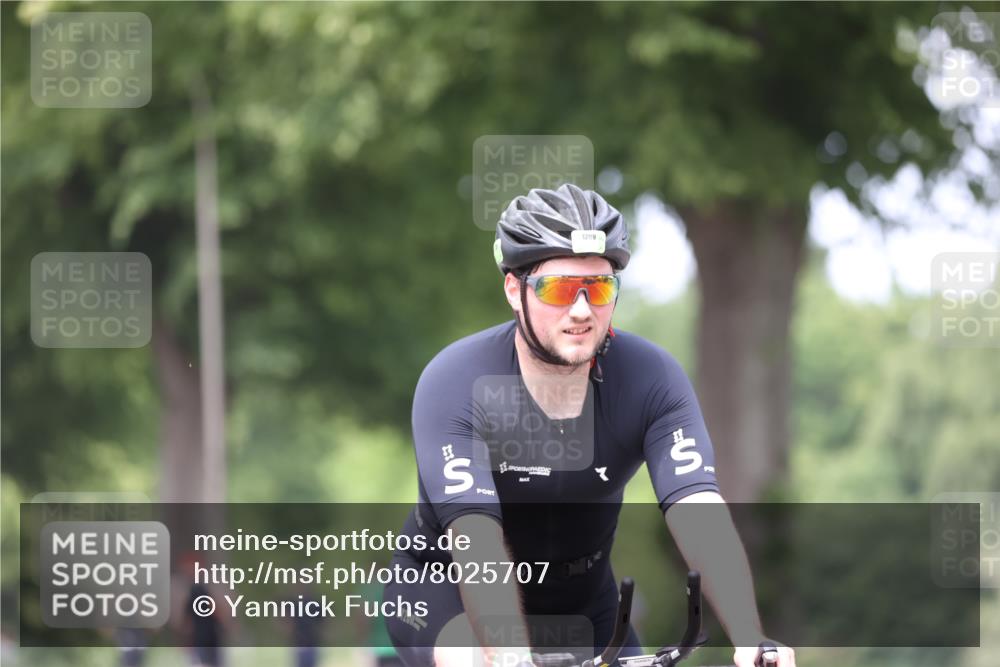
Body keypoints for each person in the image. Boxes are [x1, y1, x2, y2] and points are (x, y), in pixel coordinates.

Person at [385, 184, 795, 667]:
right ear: (515, 290)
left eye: (598, 287)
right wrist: (510, 655)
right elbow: (475, 541)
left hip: (587, 603)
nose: (582, 310)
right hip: (447, 593)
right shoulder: (456, 380)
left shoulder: (650, 378)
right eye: (560, 288)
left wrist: (750, 637)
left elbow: (696, 506)